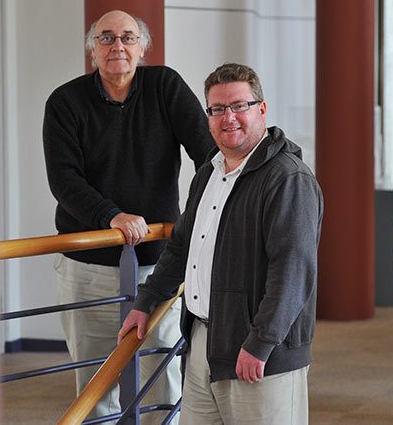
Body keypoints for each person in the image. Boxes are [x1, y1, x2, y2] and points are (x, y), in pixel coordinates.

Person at [119, 62, 324, 424]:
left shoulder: (288, 179)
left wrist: (261, 343)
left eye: (239, 106)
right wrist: (147, 300)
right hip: (203, 345)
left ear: (261, 109)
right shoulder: (209, 174)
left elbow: (292, 273)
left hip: (259, 354)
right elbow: (181, 248)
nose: (228, 117)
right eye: (216, 109)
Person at [43, 9, 215, 423]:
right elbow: (64, 180)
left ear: (142, 49)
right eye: (105, 38)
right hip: (86, 268)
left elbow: (208, 155)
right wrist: (111, 215)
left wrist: (199, 216)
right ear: (92, 50)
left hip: (159, 266)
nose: (116, 46)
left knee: (163, 376)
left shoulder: (165, 86)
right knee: (94, 382)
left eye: (127, 37)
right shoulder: (65, 102)